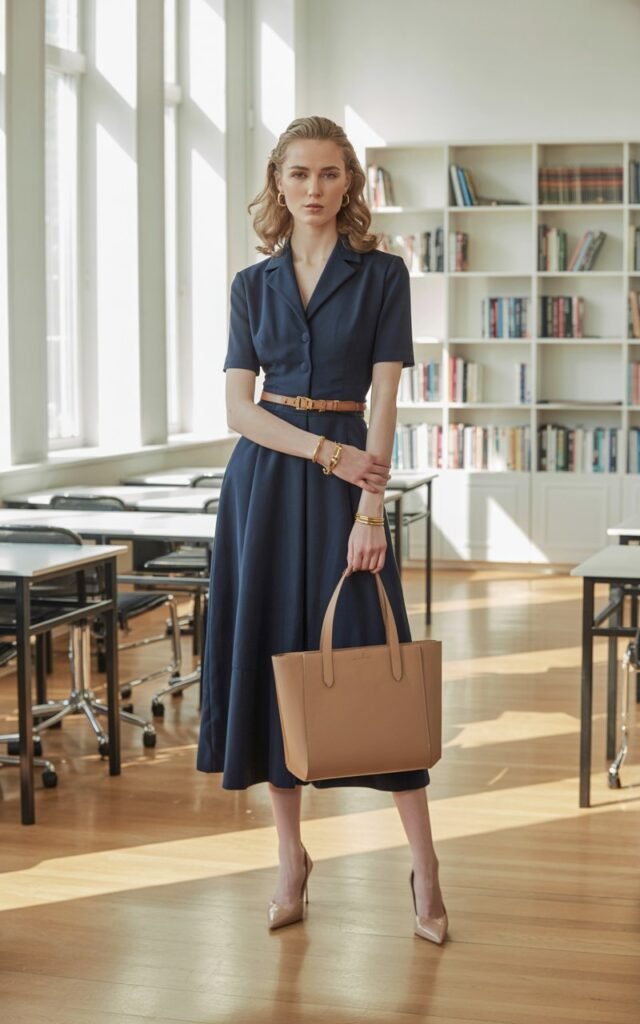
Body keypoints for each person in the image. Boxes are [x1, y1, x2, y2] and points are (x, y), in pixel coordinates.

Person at [197, 115, 447, 944]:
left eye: (329, 175)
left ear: (351, 184)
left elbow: (385, 401)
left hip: (351, 493)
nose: (313, 189)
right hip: (266, 485)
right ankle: (290, 859)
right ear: (278, 181)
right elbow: (239, 408)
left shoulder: (383, 276)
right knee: (276, 663)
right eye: (298, 174)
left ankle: (427, 867)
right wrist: (322, 453)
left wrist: (367, 504)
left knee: (380, 663)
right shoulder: (250, 286)